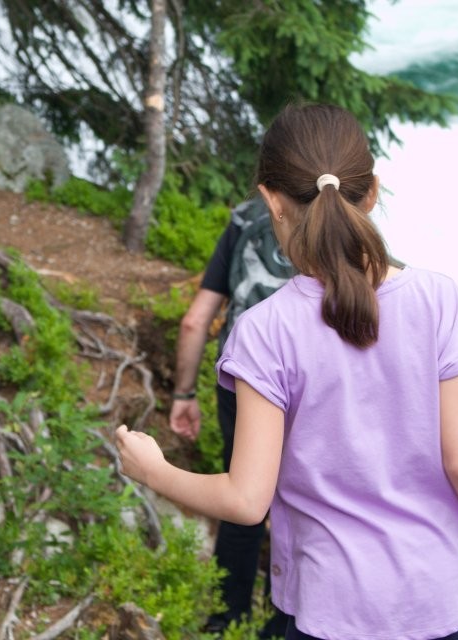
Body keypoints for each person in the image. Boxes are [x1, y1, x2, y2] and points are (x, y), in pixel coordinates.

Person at [117, 102, 458, 640]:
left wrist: (153, 470)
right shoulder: (436, 298)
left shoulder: (263, 330)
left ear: (271, 202)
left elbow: (246, 501)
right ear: (371, 193)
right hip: (435, 597)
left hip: (333, 606)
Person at [171, 196, 294, 637]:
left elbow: (195, 320)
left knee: (242, 495)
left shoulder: (246, 218)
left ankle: (226, 619)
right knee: (299, 504)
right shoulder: (343, 221)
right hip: (308, 385)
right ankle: (284, 623)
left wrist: (184, 393)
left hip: (243, 382)